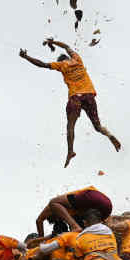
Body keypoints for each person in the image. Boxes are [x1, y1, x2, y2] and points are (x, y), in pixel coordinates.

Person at [19, 39, 121, 167]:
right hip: (89, 95)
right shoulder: (77, 59)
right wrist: (53, 42)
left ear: (61, 61)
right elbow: (67, 46)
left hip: (75, 98)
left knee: (71, 126)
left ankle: (70, 151)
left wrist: (26, 57)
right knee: (97, 127)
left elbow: (42, 64)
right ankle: (110, 135)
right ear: (68, 57)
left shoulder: (62, 65)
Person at [35, 186, 112, 236]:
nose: (62, 218)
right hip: (107, 209)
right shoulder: (76, 212)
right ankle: (76, 227)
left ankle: (75, 227)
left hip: (95, 198)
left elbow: (39, 220)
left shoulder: (53, 207)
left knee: (53, 202)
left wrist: (40, 239)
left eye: (59, 218)